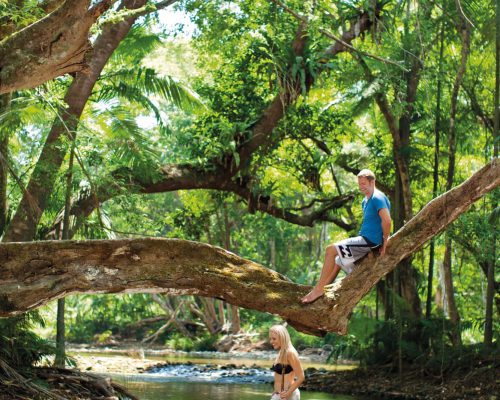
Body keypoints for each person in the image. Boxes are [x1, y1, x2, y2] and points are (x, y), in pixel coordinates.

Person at [301, 168, 391, 304]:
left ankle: (318, 290)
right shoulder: (366, 201)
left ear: (372, 182)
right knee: (338, 260)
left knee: (330, 250)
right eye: (359, 184)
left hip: (370, 242)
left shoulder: (377, 198)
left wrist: (385, 242)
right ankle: (324, 289)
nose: (361, 187)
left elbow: (387, 220)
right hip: (365, 240)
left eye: (364, 184)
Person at [269, 325, 304, 400]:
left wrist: (288, 393)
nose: (271, 341)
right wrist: (276, 391)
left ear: (282, 338)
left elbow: (301, 377)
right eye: (270, 339)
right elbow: (281, 376)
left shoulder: (290, 353)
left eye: (274, 339)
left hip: (288, 396)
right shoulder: (282, 352)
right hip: (279, 395)